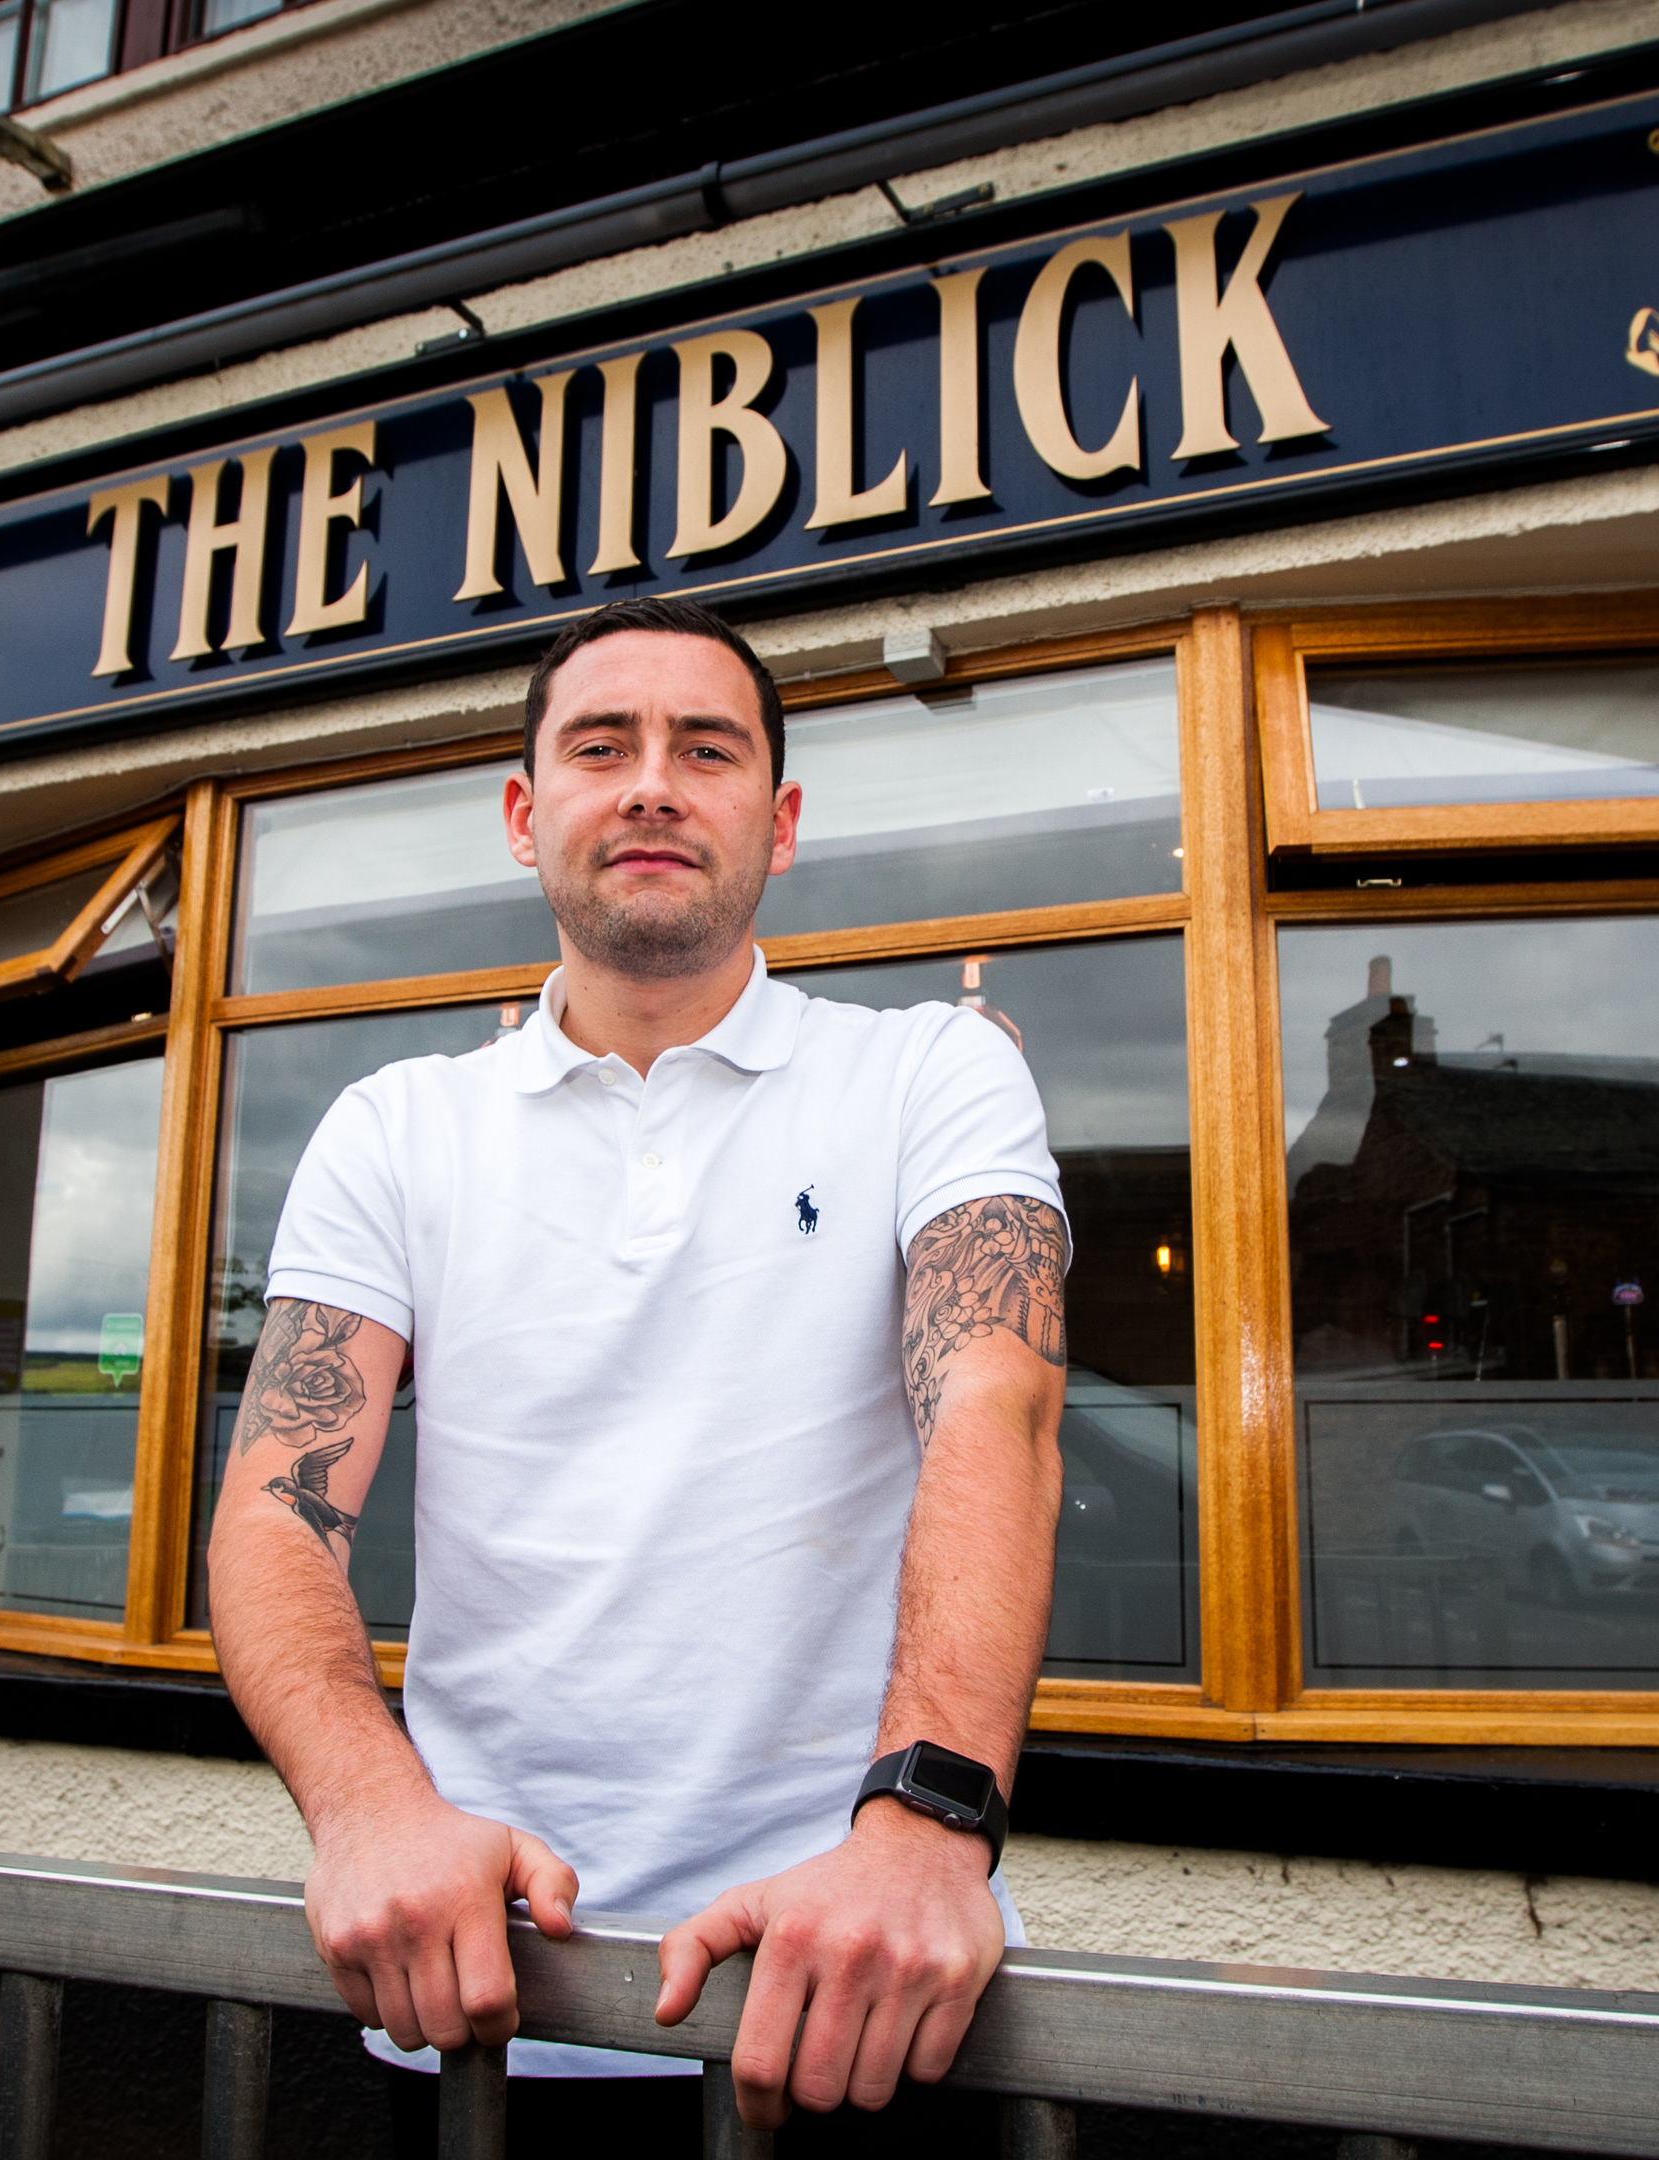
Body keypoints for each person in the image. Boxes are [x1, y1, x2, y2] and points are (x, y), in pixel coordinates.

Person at [206, 594, 1070, 2150]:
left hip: (847, 1997)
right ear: (530, 816)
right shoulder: (399, 1127)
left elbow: (994, 1411)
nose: (654, 784)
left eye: (708, 749)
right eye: (602, 747)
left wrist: (930, 1828)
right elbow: (277, 1502)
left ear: (781, 821)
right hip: (476, 2012)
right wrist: (370, 1810)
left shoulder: (931, 1073)